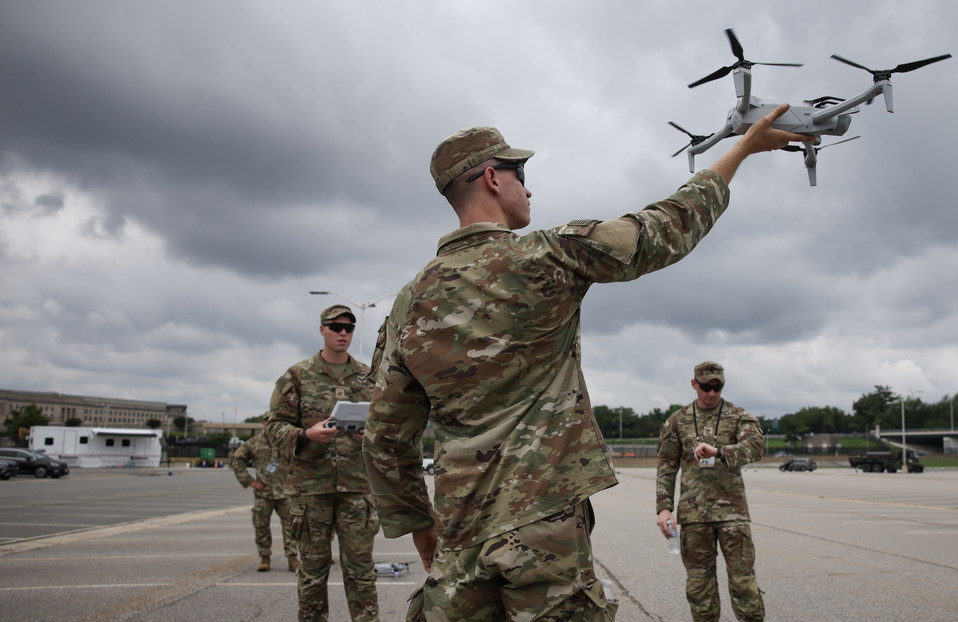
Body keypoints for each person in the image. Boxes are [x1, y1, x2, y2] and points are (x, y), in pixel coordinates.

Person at [362, 104, 808, 622]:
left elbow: (385, 436)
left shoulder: (408, 302)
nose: (528, 190)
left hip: (459, 531)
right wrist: (742, 150)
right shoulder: (545, 256)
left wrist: (422, 527)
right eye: (520, 175)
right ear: (491, 178)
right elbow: (662, 229)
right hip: (544, 521)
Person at [266, 304, 379, 622]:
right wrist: (305, 434)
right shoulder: (297, 376)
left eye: (349, 328)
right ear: (322, 330)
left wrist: (370, 435)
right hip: (311, 490)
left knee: (361, 574)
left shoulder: (369, 377)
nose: (343, 333)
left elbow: (388, 425)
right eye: (336, 327)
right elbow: (274, 426)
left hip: (357, 489)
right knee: (313, 574)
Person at [655, 361, 766, 622]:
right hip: (694, 517)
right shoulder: (677, 421)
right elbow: (666, 466)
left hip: (732, 515)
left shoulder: (738, 416)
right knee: (699, 588)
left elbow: (756, 447)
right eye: (706, 387)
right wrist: (664, 508)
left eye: (718, 388)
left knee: (743, 585)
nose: (712, 393)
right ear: (695, 384)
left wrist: (719, 452)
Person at [230, 425, 298, 572]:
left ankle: (292, 558)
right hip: (264, 493)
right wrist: (249, 481)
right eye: (268, 422)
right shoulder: (254, 443)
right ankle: (264, 557)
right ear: (263, 424)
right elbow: (237, 459)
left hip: (284, 492)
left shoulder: (286, 440)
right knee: (261, 526)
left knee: (291, 526)